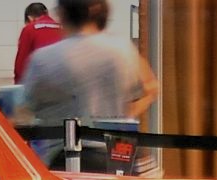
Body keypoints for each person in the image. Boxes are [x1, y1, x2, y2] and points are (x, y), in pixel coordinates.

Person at [17, 0, 158, 166]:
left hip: (63, 161)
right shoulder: (123, 50)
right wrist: (125, 113)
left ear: (62, 14)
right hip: (119, 155)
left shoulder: (43, 59)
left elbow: (23, 113)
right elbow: (151, 88)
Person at [12, 3, 63, 84]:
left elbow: (21, 62)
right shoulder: (62, 28)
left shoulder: (29, 29)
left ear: (29, 18)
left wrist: (18, 84)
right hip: (62, 81)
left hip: (38, 83)